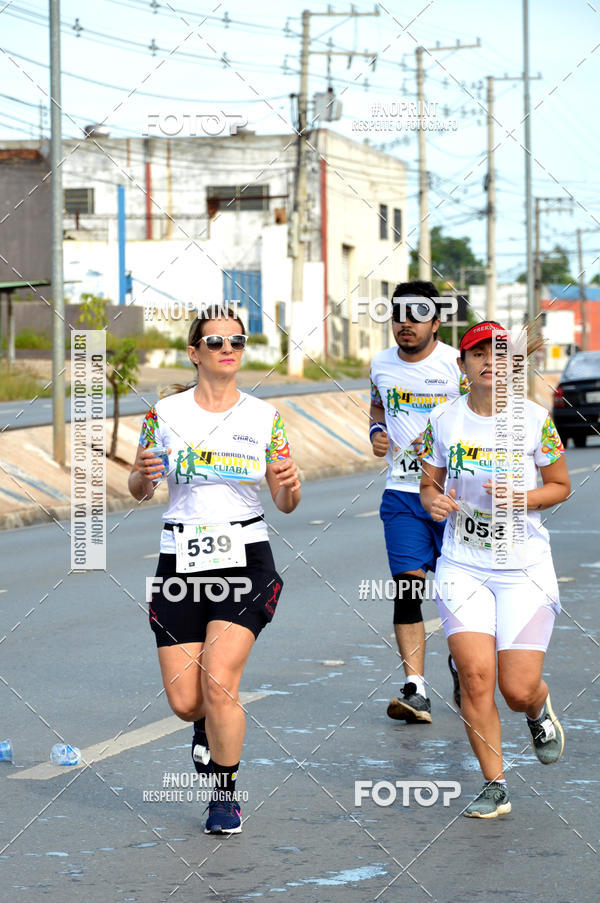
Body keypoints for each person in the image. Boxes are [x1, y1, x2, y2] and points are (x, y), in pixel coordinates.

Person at [129, 306, 301, 835]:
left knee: (220, 681)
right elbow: (139, 489)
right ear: (194, 352)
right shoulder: (164, 415)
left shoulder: (264, 418)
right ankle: (203, 726)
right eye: (216, 341)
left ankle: (224, 797)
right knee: (187, 702)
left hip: (245, 559)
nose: (228, 349)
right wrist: (143, 475)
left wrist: (289, 487)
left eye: (237, 341)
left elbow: (286, 502)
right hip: (181, 560)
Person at [420, 321, 570, 818]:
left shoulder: (534, 420)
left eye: (499, 354)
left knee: (516, 688)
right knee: (475, 677)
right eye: (478, 353)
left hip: (524, 567)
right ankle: (494, 784)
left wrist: (521, 498)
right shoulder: (444, 420)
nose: (489, 362)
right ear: (462, 364)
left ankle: (538, 707)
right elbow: (428, 485)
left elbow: (561, 485)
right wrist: (433, 502)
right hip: (463, 566)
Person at [369, 281, 466, 724]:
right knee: (408, 591)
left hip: (455, 499)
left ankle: (462, 662)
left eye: (417, 315)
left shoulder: (457, 365)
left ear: (436, 321)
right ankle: (415, 689)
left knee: (457, 595)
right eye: (398, 315)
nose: (405, 323)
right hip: (403, 495)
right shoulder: (380, 365)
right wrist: (377, 432)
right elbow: (378, 408)